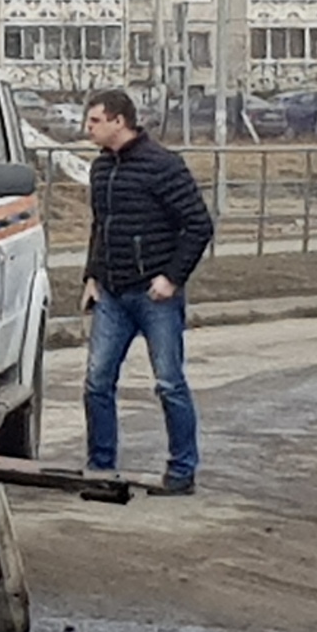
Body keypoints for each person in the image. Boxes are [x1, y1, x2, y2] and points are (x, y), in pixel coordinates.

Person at [79, 86, 215, 494]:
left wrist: (171, 278)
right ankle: (100, 470)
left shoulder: (163, 166)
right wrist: (91, 276)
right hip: (112, 292)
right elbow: (100, 226)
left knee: (169, 382)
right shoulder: (101, 169)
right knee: (97, 381)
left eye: (95, 122)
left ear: (120, 121)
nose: (88, 130)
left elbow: (198, 225)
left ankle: (181, 470)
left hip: (155, 294)